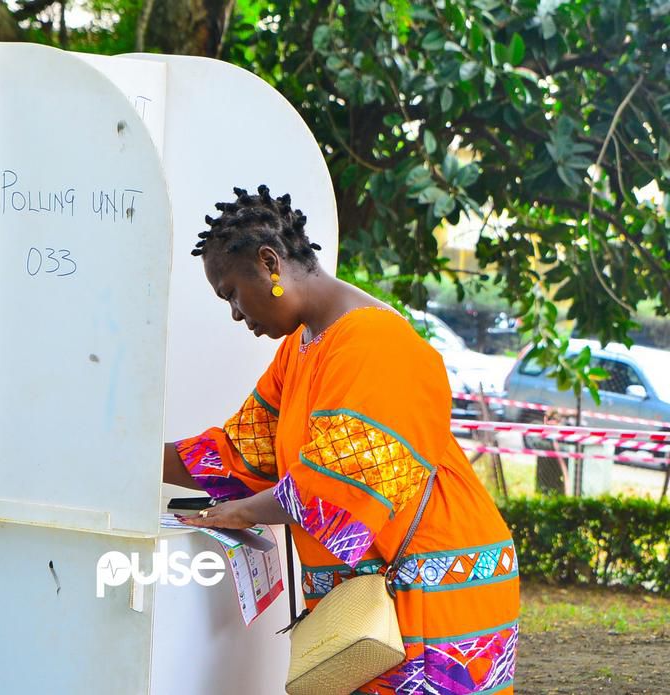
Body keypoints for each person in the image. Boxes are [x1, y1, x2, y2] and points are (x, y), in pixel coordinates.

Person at [163, 186, 518, 694]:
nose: (236, 315)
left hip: (433, 588)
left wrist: (241, 513)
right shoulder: (303, 346)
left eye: (231, 293)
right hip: (380, 598)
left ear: (269, 263)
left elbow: (339, 484)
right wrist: (131, 458)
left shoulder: (376, 342)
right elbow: (240, 454)